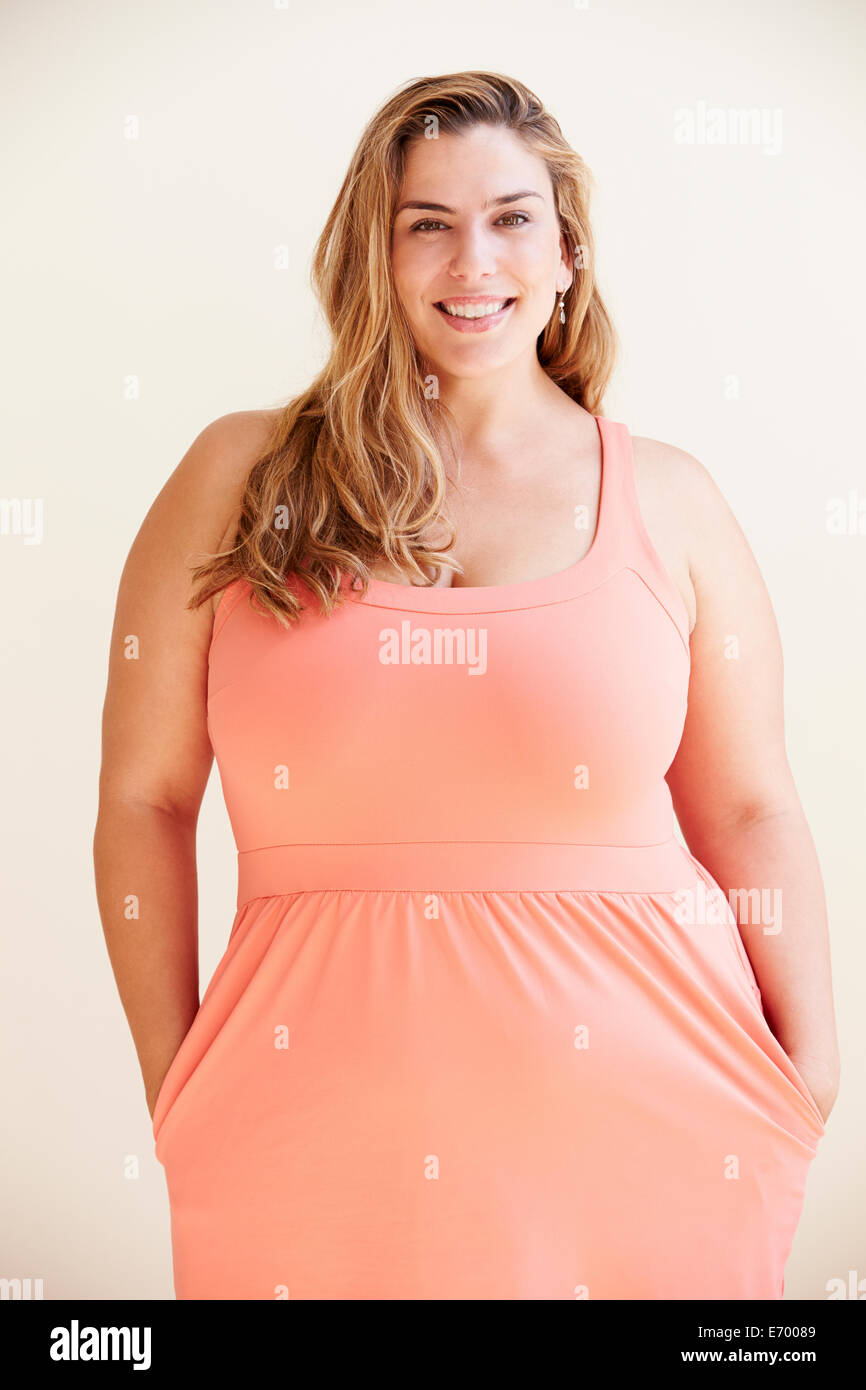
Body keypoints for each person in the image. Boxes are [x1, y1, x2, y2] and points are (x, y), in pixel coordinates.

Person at [93, 70, 840, 1300]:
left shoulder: (670, 497)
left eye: (508, 218)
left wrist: (807, 1070)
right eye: (423, 223)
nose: (468, 260)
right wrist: (176, 1078)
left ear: (564, 253)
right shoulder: (243, 474)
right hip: (299, 1133)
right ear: (370, 254)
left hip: (656, 1120)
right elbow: (144, 799)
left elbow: (750, 808)